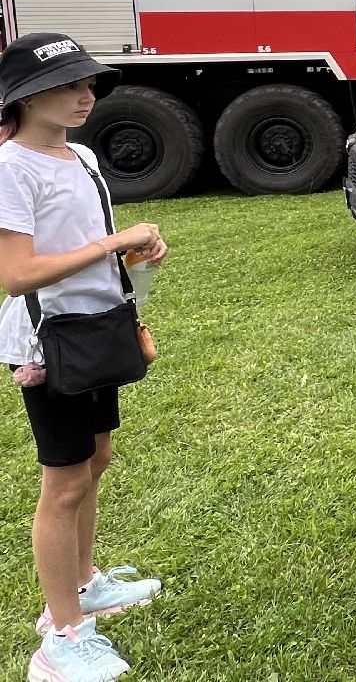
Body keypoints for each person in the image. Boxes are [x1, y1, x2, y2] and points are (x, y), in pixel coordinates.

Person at [0, 33, 168, 682]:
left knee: (96, 458)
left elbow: (83, 241)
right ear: (25, 95)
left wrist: (130, 254)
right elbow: (17, 274)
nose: (86, 95)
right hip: (49, 345)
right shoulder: (12, 167)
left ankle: (86, 581)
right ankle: (60, 636)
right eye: (70, 84)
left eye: (89, 83)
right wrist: (114, 242)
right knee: (64, 481)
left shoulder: (84, 157)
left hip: (96, 330)